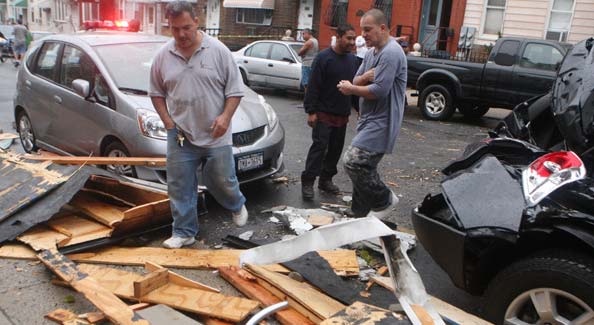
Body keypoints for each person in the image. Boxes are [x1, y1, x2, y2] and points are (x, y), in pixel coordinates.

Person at [149, 1, 248, 249]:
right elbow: (156, 92)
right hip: (180, 134)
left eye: (186, 27)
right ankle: (184, 231)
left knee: (221, 179)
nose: (181, 34)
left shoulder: (218, 51)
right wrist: (168, 122)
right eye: (174, 29)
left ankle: (236, 203)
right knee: (179, 184)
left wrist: (225, 117)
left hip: (216, 132)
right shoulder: (163, 56)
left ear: (197, 22)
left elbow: (235, 90)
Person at [337, 9, 407, 220]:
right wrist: (365, 76)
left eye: (368, 30)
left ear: (383, 28)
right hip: (368, 119)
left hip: (382, 122)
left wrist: (352, 89)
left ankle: (384, 199)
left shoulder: (391, 53)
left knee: (354, 162)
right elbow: (356, 79)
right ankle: (359, 212)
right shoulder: (371, 53)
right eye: (362, 30)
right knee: (364, 166)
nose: (363, 35)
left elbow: (378, 91)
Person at [301, 24, 358, 200]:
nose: (352, 42)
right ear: (339, 36)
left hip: (342, 115)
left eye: (354, 39)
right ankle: (308, 182)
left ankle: (326, 180)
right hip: (323, 113)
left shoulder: (352, 60)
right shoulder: (324, 58)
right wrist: (311, 111)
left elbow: (354, 88)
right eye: (349, 38)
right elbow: (313, 86)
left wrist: (359, 109)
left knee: (335, 149)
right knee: (319, 148)